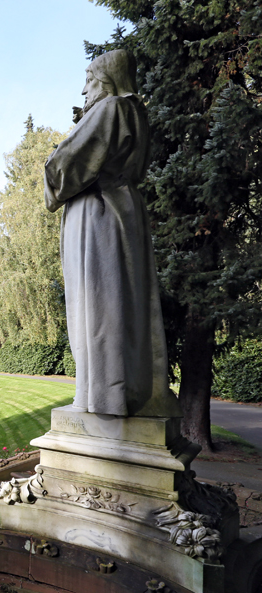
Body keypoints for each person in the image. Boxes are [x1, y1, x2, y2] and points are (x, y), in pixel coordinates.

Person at [43, 50, 180, 418]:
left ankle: (103, 398)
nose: (84, 88)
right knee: (122, 303)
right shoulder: (137, 113)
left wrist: (52, 179)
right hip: (123, 210)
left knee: (98, 306)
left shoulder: (111, 109)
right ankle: (120, 394)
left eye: (89, 78)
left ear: (105, 81)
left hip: (97, 211)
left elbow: (64, 165)